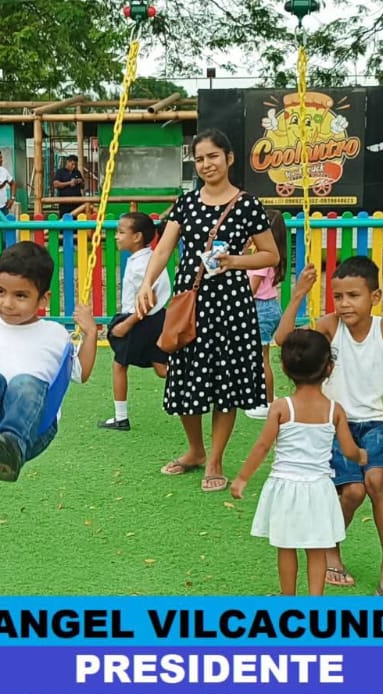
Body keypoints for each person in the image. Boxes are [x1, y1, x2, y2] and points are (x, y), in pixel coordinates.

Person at [277, 257, 383, 595]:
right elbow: (284, 340)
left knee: (376, 481)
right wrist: (298, 295)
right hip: (335, 423)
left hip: (375, 423)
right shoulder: (329, 326)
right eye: (338, 296)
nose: (344, 304)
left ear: (375, 296)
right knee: (353, 492)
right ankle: (331, 547)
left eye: (353, 296)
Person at [135, 129, 280, 493]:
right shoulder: (186, 203)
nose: (206, 164)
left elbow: (271, 255)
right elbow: (164, 249)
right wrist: (147, 282)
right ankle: (195, 450)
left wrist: (235, 261)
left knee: (225, 381)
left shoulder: (247, 205)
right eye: (199, 159)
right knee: (186, 375)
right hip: (192, 300)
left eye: (213, 156)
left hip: (232, 303)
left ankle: (215, 458)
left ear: (229, 158)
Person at [0, 241, 98, 482]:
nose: (7, 303)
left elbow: (81, 372)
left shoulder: (55, 334)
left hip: (34, 430)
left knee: (25, 384)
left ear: (43, 300)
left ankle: (11, 446)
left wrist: (91, 333)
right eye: (0, 291)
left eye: (20, 296)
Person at [230, 329, 362, 597]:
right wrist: (362, 455)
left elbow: (262, 446)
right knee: (317, 549)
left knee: (286, 547)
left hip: (286, 487)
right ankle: (315, 601)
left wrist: (243, 477)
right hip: (320, 489)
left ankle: (288, 598)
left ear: (285, 367)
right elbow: (349, 450)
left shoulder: (281, 407)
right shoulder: (334, 410)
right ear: (329, 367)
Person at [98, 211, 170, 431]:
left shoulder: (141, 265)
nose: (116, 236)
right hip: (156, 319)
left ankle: (121, 417)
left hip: (140, 320)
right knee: (161, 368)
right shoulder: (149, 258)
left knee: (119, 364)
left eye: (121, 232)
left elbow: (149, 300)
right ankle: (203, 384)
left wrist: (126, 325)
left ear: (137, 237)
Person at [245, 210, 288, 420]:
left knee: (261, 357)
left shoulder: (262, 259)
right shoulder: (269, 254)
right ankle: (265, 396)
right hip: (268, 306)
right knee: (260, 355)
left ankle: (266, 401)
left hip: (260, 309)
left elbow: (250, 290)